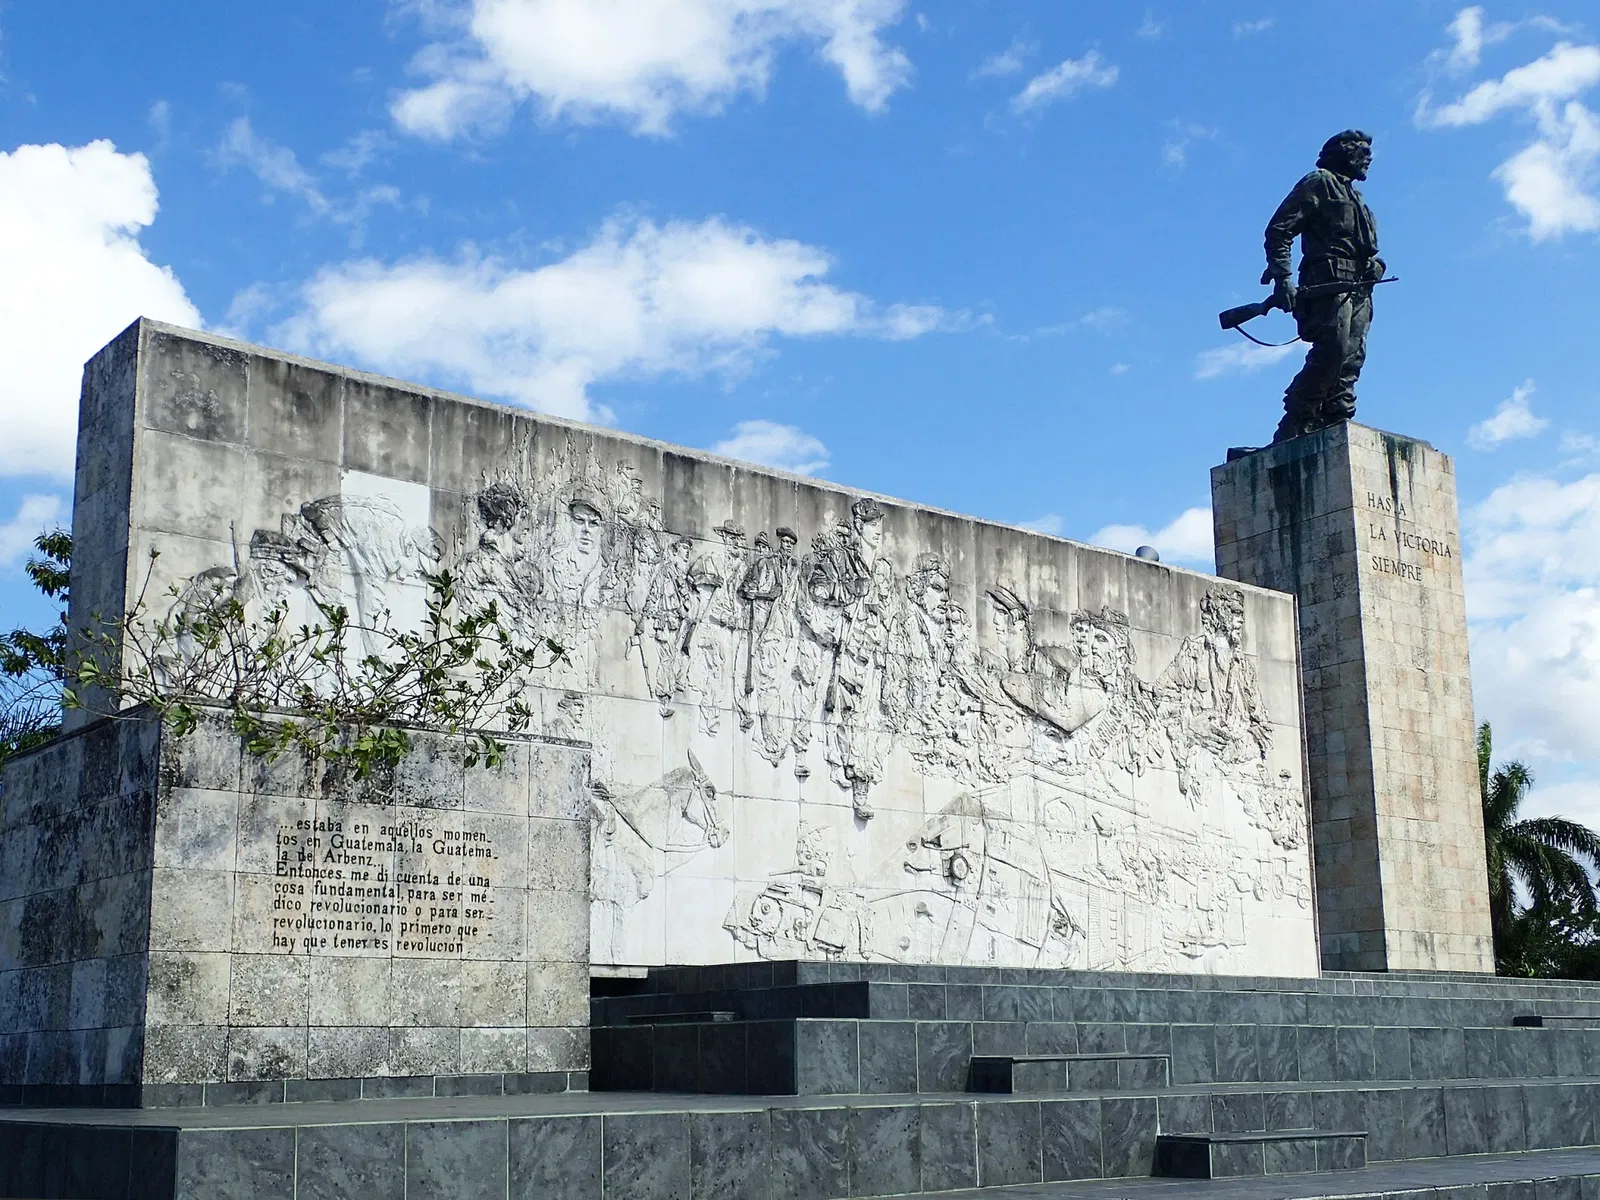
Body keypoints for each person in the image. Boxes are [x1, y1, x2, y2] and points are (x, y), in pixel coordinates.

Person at [1263, 130, 1385, 443]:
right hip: (1325, 284)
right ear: (1344, 153)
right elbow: (1279, 230)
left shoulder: (1357, 199)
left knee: (1352, 356)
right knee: (1332, 350)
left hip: (1360, 288)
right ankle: (1298, 419)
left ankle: (1337, 417)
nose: (1368, 159)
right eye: (1362, 153)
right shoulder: (1318, 182)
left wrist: (1376, 265)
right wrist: (1282, 278)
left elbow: (1368, 250)